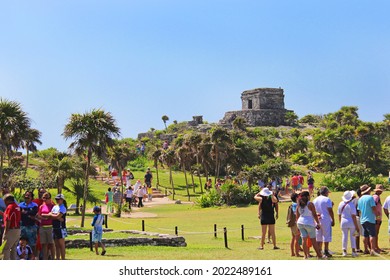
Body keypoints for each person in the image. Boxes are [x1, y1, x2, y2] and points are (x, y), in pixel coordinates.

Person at [296, 191, 325, 259]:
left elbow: (297, 215)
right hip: (309, 223)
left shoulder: (299, 204)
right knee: (313, 240)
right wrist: (318, 223)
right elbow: (314, 214)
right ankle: (319, 255)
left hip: (300, 222)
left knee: (304, 240)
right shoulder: (310, 204)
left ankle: (305, 256)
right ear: (307, 196)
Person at [41, 193, 67, 260]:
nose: (57, 200)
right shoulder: (55, 207)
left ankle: (63, 258)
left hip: (60, 228)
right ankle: (57, 258)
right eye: (56, 199)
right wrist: (53, 216)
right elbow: (51, 216)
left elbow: (57, 216)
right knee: (56, 245)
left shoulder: (63, 208)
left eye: (59, 199)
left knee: (61, 245)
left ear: (62, 200)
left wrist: (47, 215)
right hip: (54, 227)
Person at [357, 184, 379, 256]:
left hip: (362, 219)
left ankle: (365, 249)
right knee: (372, 235)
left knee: (365, 235)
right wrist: (377, 216)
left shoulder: (360, 199)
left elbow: (359, 210)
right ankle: (372, 249)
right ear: (368, 190)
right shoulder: (370, 198)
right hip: (370, 219)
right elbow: (373, 208)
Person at [313, 186, 335, 257]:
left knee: (318, 235)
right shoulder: (327, 199)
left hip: (317, 218)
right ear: (326, 192)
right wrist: (333, 219)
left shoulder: (315, 199)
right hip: (325, 219)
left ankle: (319, 250)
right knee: (326, 235)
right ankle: (326, 250)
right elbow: (330, 210)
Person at [337, 191, 360, 257]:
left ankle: (344, 251)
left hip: (343, 221)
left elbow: (339, 214)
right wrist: (356, 226)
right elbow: (353, 216)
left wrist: (340, 222)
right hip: (351, 222)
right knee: (352, 237)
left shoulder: (341, 204)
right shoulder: (351, 205)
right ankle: (353, 251)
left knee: (344, 236)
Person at [18, 191, 38, 256]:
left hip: (31, 227)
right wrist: (29, 213)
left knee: (32, 244)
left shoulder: (34, 205)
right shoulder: (20, 205)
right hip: (23, 226)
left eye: (28, 195)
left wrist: (26, 212)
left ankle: (33, 257)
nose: (26, 196)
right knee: (22, 243)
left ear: (32, 197)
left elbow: (34, 213)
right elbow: (19, 213)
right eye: (26, 195)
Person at [36, 192, 55, 260]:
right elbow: (38, 215)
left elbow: (53, 215)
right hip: (42, 226)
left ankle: (53, 258)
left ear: (50, 198)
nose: (45, 199)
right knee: (44, 244)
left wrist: (47, 216)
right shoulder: (41, 206)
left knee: (51, 243)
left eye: (47, 198)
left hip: (50, 226)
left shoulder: (53, 206)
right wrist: (44, 217)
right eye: (44, 198)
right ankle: (45, 258)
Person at [2, 193, 21, 260]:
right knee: (13, 248)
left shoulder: (10, 207)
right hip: (17, 230)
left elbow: (8, 220)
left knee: (6, 248)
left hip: (11, 230)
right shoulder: (16, 206)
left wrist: (6, 230)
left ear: (7, 200)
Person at [286, 193, 302, 257]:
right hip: (295, 223)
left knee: (293, 238)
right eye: (298, 197)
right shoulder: (295, 205)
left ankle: (292, 253)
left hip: (292, 223)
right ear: (296, 198)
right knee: (297, 237)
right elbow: (296, 213)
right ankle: (297, 253)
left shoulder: (292, 204)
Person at [372, 184, 385, 252]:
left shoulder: (376, 196)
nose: (381, 192)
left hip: (377, 217)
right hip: (376, 218)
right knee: (375, 233)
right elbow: (373, 206)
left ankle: (376, 246)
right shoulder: (376, 197)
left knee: (376, 233)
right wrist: (378, 216)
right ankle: (375, 247)